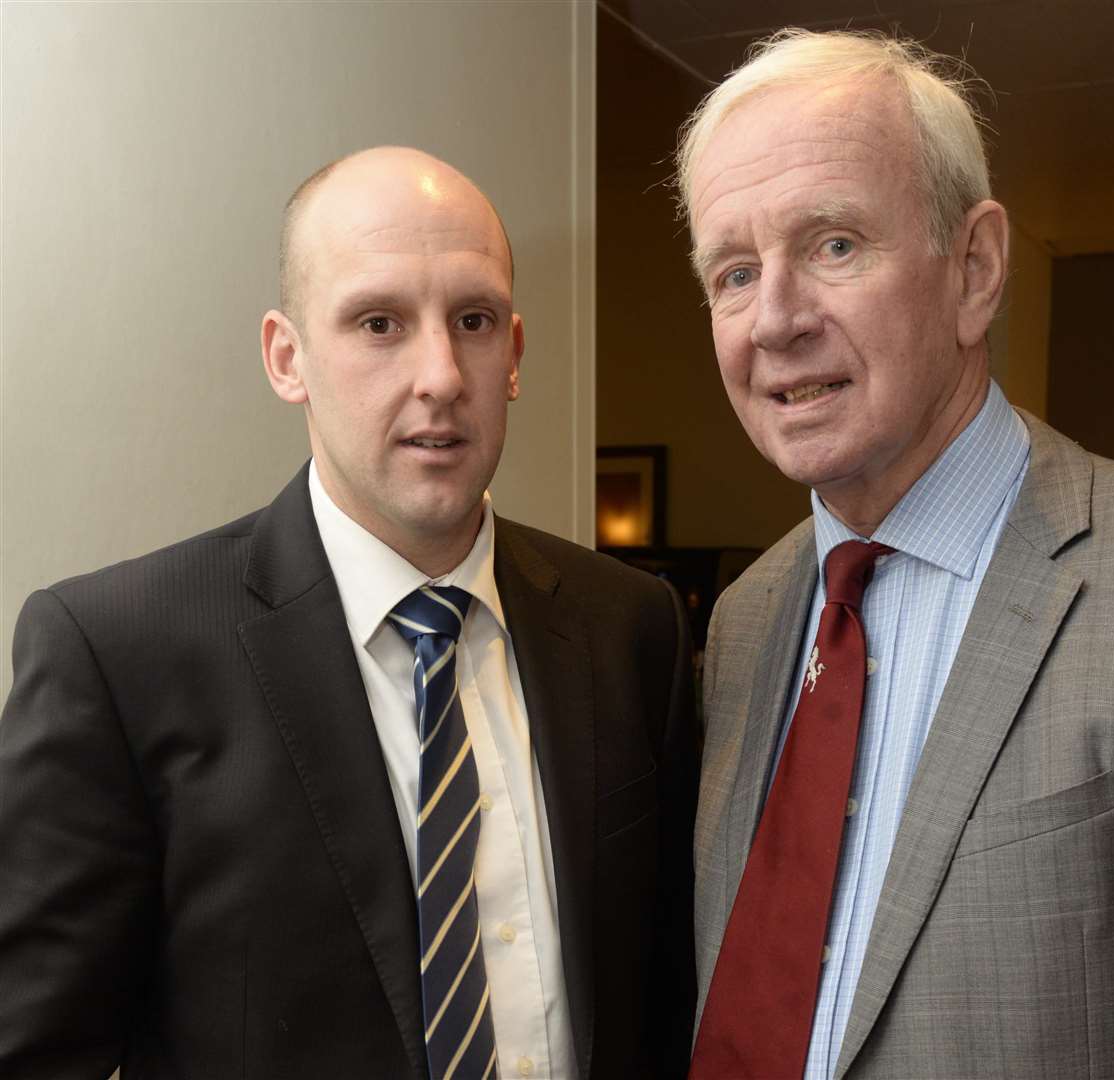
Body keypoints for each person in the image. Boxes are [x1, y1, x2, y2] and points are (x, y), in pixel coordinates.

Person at [0, 146, 697, 1079]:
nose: (442, 375)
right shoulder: (118, 654)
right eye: (379, 323)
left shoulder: (631, 627)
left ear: (516, 356)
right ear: (288, 358)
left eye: (474, 320)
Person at [677, 30, 1114, 1080]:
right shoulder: (744, 624)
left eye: (833, 244)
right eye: (734, 273)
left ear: (975, 269)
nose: (776, 319)